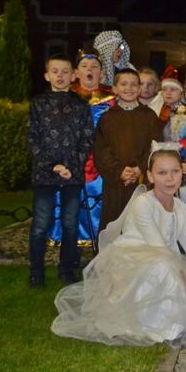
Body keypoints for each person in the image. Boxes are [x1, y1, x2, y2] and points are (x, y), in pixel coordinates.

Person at [52, 144, 186, 345]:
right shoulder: (143, 204)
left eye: (175, 171)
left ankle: (181, 313)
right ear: (150, 176)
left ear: (182, 173)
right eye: (162, 173)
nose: (170, 178)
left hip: (167, 259)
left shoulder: (180, 207)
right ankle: (156, 323)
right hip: (135, 260)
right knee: (164, 269)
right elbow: (159, 249)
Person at [28, 54, 94, 287]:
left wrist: (71, 167)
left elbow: (87, 139)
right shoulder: (38, 104)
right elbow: (32, 138)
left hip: (72, 174)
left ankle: (66, 269)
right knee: (41, 224)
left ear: (73, 75)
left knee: (70, 223)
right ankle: (36, 272)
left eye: (65, 71)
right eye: (55, 71)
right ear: (47, 76)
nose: (60, 76)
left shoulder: (81, 105)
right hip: (44, 173)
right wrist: (52, 166)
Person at [48, 49, 113, 249]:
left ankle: (97, 233)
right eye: (84, 66)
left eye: (94, 66)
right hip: (72, 154)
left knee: (98, 193)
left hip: (101, 155)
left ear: (102, 72)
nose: (89, 70)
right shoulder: (64, 96)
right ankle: (64, 234)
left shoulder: (112, 98)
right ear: (76, 72)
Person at [94, 69, 162, 231]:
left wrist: (140, 168)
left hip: (142, 179)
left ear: (139, 89)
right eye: (124, 84)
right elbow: (101, 150)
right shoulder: (107, 118)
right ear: (115, 88)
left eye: (134, 84)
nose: (129, 88)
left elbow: (155, 146)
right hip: (116, 180)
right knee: (114, 224)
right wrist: (119, 171)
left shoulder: (149, 116)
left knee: (141, 223)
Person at [148, 76, 186, 143]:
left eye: (173, 89)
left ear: (181, 94)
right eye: (164, 90)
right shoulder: (157, 109)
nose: (168, 93)